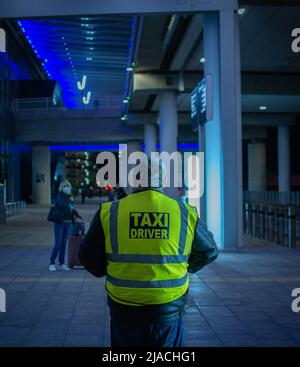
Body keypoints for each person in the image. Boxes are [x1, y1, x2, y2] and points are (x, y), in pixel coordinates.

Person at [79, 158, 218, 347]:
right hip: (168, 305)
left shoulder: (110, 211)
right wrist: (183, 267)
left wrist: (112, 269)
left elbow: (86, 255)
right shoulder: (184, 212)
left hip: (124, 304)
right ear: (162, 180)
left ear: (135, 181)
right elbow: (209, 251)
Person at [49, 180, 81, 272]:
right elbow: (62, 205)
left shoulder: (69, 196)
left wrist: (76, 214)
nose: (67, 188)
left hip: (68, 223)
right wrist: (69, 199)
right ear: (62, 187)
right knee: (58, 244)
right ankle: (51, 263)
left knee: (64, 244)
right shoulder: (60, 195)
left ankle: (62, 263)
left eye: (68, 186)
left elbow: (71, 209)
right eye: (65, 186)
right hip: (60, 223)